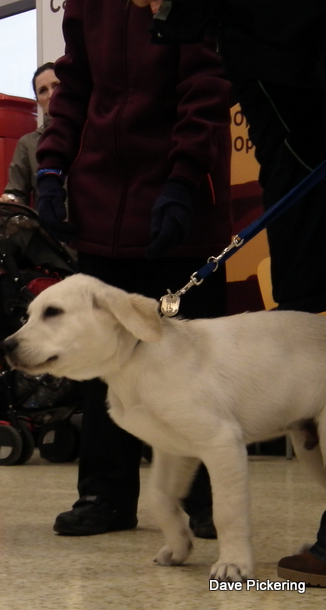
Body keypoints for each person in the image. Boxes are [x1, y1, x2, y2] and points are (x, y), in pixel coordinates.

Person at [129, 0, 326, 586]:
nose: (139, 6)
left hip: (307, 164)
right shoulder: (211, 22)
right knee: (303, 299)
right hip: (298, 171)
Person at [35, 0, 233, 537]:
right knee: (104, 360)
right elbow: (74, 87)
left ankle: (204, 499)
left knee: (194, 359)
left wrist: (185, 178)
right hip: (101, 203)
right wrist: (51, 165)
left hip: (183, 199)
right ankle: (105, 494)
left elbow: (207, 85)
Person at [0, 63, 59, 206]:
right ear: (38, 101)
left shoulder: (91, 130)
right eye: (43, 91)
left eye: (56, 85)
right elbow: (16, 194)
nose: (51, 95)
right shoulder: (28, 144)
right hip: (51, 227)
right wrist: (9, 203)